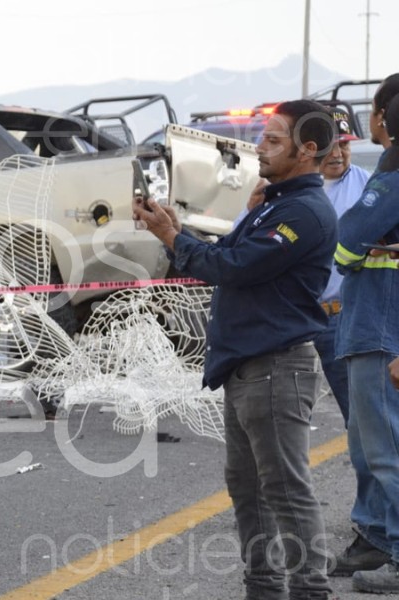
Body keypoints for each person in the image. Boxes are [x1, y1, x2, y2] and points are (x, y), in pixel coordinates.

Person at [133, 99, 337, 600]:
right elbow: (226, 255)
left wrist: (173, 237)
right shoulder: (272, 202)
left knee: (285, 492)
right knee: (250, 491)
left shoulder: (303, 212)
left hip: (274, 369)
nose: (259, 148)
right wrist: (178, 233)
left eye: (272, 140)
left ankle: (311, 591)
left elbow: (234, 267)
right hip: (248, 369)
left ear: (307, 150)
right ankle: (263, 588)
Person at [331, 73, 399, 593]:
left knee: (385, 450)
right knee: (367, 446)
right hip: (370, 328)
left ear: (383, 119)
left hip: (381, 329)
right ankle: (376, 535)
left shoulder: (391, 178)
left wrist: (360, 249)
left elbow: (347, 244)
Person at [314, 109, 372, 426]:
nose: (338, 154)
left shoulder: (369, 188)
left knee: (364, 419)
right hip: (296, 323)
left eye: (345, 145)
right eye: (329, 145)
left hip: (349, 318)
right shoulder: (287, 189)